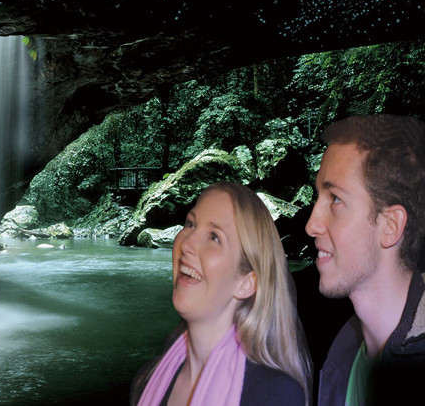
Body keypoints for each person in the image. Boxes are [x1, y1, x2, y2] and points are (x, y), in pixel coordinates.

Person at [131, 181, 310, 406]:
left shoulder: (275, 395)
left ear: (247, 283)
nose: (187, 244)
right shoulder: (146, 381)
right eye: (190, 223)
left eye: (214, 237)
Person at [305, 114, 425, 405]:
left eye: (335, 199)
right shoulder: (342, 354)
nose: (311, 225)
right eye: (317, 196)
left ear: (390, 226)